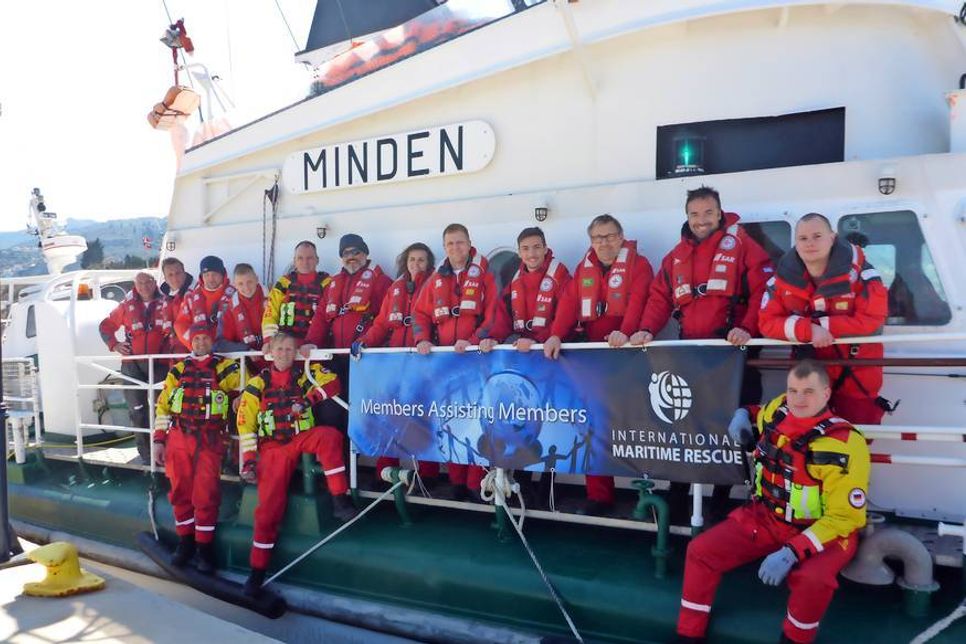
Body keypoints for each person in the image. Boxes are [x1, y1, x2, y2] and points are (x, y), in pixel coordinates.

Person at [676, 360, 870, 644]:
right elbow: (757, 411)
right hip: (767, 518)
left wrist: (792, 551)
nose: (798, 399)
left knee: (813, 579)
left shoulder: (845, 444)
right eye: (793, 390)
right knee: (700, 551)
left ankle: (794, 639)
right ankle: (688, 634)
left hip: (822, 532)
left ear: (826, 394)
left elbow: (846, 518)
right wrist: (742, 414)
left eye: (808, 392)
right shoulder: (779, 409)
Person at [630, 186, 773, 522]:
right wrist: (647, 329)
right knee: (686, 427)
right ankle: (678, 496)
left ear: (719, 213)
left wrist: (748, 328)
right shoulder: (676, 256)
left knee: (732, 430)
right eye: (694, 214)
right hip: (692, 355)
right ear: (687, 216)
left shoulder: (744, 247)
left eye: (708, 212)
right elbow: (659, 297)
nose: (701, 220)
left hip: (734, 354)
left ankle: (721, 502)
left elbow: (764, 291)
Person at [543, 214, 653, 516]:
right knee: (593, 429)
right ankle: (599, 496)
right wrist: (556, 334)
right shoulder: (585, 268)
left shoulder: (639, 265)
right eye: (598, 238)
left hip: (628, 358)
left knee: (636, 429)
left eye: (610, 236)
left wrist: (625, 332)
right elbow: (569, 303)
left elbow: (639, 301)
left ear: (621, 237)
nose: (604, 243)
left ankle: (646, 498)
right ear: (591, 241)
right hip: (594, 361)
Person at [237, 332, 359, 595]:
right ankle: (257, 573)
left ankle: (339, 499)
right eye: (279, 349)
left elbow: (333, 383)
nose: (284, 354)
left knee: (330, 436)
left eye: (289, 349)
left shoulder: (304, 375)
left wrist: (308, 400)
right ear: (271, 352)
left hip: (300, 437)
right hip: (273, 448)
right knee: (268, 510)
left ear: (295, 353)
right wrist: (248, 461)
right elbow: (245, 423)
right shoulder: (257, 384)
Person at [759, 213, 890, 424]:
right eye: (803, 238)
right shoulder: (781, 280)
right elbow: (767, 322)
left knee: (858, 433)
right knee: (806, 433)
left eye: (817, 236)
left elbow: (873, 322)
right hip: (808, 373)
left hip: (857, 371)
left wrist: (821, 326)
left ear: (832, 237)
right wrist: (809, 330)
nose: (810, 243)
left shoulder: (862, 274)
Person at [412, 223, 508, 501]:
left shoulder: (486, 273)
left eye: (460, 242)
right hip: (447, 363)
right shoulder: (435, 279)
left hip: (478, 359)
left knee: (478, 422)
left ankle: (476, 483)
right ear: (445, 247)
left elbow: (495, 313)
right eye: (450, 244)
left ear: (469, 243)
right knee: (452, 421)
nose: (456, 248)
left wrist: (474, 340)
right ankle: (456, 482)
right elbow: (419, 313)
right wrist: (422, 339)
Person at [152, 324, 240, 573]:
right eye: (197, 339)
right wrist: (158, 440)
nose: (201, 343)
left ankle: (204, 548)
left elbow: (245, 387)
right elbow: (163, 407)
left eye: (205, 338)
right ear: (190, 342)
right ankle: (186, 542)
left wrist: (241, 396)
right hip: (178, 438)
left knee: (206, 494)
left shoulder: (226, 368)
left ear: (212, 341)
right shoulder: (177, 371)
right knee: (180, 492)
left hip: (210, 440)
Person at [357, 242, 440, 481]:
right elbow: (382, 323)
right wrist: (364, 342)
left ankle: (427, 475)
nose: (416, 264)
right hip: (396, 362)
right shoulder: (396, 287)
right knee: (390, 415)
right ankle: (385, 470)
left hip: (423, 362)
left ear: (429, 263)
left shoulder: (435, 284)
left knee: (422, 419)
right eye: (412, 259)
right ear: (405, 262)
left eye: (421, 260)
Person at [98, 271, 170, 464]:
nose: (144, 286)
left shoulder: (167, 303)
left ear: (155, 283)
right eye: (140, 283)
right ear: (135, 285)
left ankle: (164, 452)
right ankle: (146, 455)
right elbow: (106, 326)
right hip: (132, 365)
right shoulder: (125, 306)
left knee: (162, 410)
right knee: (137, 410)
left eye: (148, 282)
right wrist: (115, 344)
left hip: (160, 363)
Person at [302, 233, 393, 351]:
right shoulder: (333, 284)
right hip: (337, 352)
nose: (351, 257)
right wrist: (311, 342)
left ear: (365, 254)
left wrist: (368, 342)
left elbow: (385, 319)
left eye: (356, 252)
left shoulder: (381, 281)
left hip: (366, 351)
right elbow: (320, 317)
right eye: (346, 253)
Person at [262, 241, 331, 348]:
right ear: (294, 261)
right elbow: (270, 313)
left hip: (316, 348)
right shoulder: (283, 283)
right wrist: (269, 341)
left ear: (317, 260)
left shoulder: (327, 283)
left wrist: (313, 343)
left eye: (309, 258)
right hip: (285, 348)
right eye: (300, 258)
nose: (305, 262)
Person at [215, 262, 267, 370]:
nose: (246, 288)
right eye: (241, 284)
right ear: (234, 284)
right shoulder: (228, 310)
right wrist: (246, 350)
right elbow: (221, 343)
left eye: (249, 282)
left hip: (276, 360)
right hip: (247, 367)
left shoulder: (273, 298)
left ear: (257, 279)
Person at [175, 256, 234, 350]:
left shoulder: (235, 296)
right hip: (200, 352)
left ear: (223, 274)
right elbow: (180, 325)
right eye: (206, 275)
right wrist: (197, 346)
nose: (211, 279)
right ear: (201, 277)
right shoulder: (190, 298)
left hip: (229, 351)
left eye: (215, 274)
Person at [159, 257, 194, 352]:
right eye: (170, 275)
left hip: (192, 350)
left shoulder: (196, 293)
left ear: (184, 274)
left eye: (178, 273)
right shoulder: (161, 298)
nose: (174, 278)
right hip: (170, 351)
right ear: (165, 279)